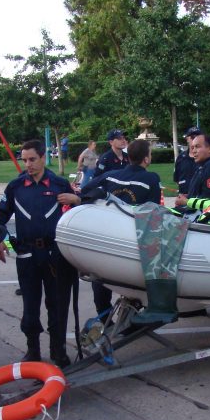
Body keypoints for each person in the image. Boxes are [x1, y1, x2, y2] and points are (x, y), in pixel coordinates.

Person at [0, 139, 77, 367]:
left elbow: (81, 211)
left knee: (57, 304)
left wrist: (76, 199)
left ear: (43, 157)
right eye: (24, 160)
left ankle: (58, 351)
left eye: (32, 159)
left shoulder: (59, 184)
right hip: (27, 254)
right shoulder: (16, 186)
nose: (28, 164)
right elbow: (0, 214)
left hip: (55, 255)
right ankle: (32, 350)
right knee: (30, 306)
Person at [90, 129, 129, 315]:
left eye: (123, 138)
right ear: (111, 142)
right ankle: (104, 312)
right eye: (119, 138)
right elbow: (98, 180)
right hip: (110, 204)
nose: (123, 140)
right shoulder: (106, 159)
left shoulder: (127, 158)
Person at [80, 138, 161, 205]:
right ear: (146, 159)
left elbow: (85, 190)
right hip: (134, 222)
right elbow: (154, 209)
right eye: (150, 154)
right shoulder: (152, 179)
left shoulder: (109, 176)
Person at [174, 133, 210, 207]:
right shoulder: (203, 165)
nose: (194, 151)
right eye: (192, 148)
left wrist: (187, 202)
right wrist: (189, 196)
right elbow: (201, 193)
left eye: (197, 147)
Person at [173, 126, 200, 200]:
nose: (195, 139)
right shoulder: (181, 158)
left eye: (198, 137)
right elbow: (177, 178)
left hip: (199, 200)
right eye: (192, 137)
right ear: (187, 139)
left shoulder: (205, 158)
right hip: (183, 198)